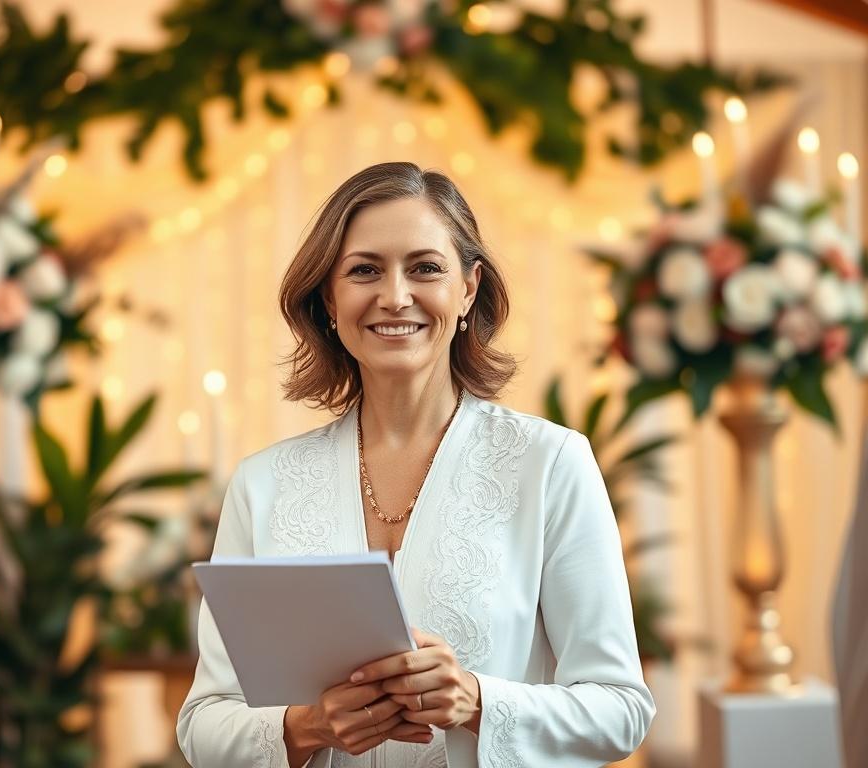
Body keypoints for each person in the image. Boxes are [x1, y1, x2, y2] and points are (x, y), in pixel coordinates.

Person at [177, 161, 655, 767]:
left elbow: (621, 709)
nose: (395, 296)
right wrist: (308, 727)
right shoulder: (262, 485)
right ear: (329, 296)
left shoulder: (551, 465)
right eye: (364, 270)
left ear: (469, 289)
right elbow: (204, 722)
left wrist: (477, 701)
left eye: (425, 268)